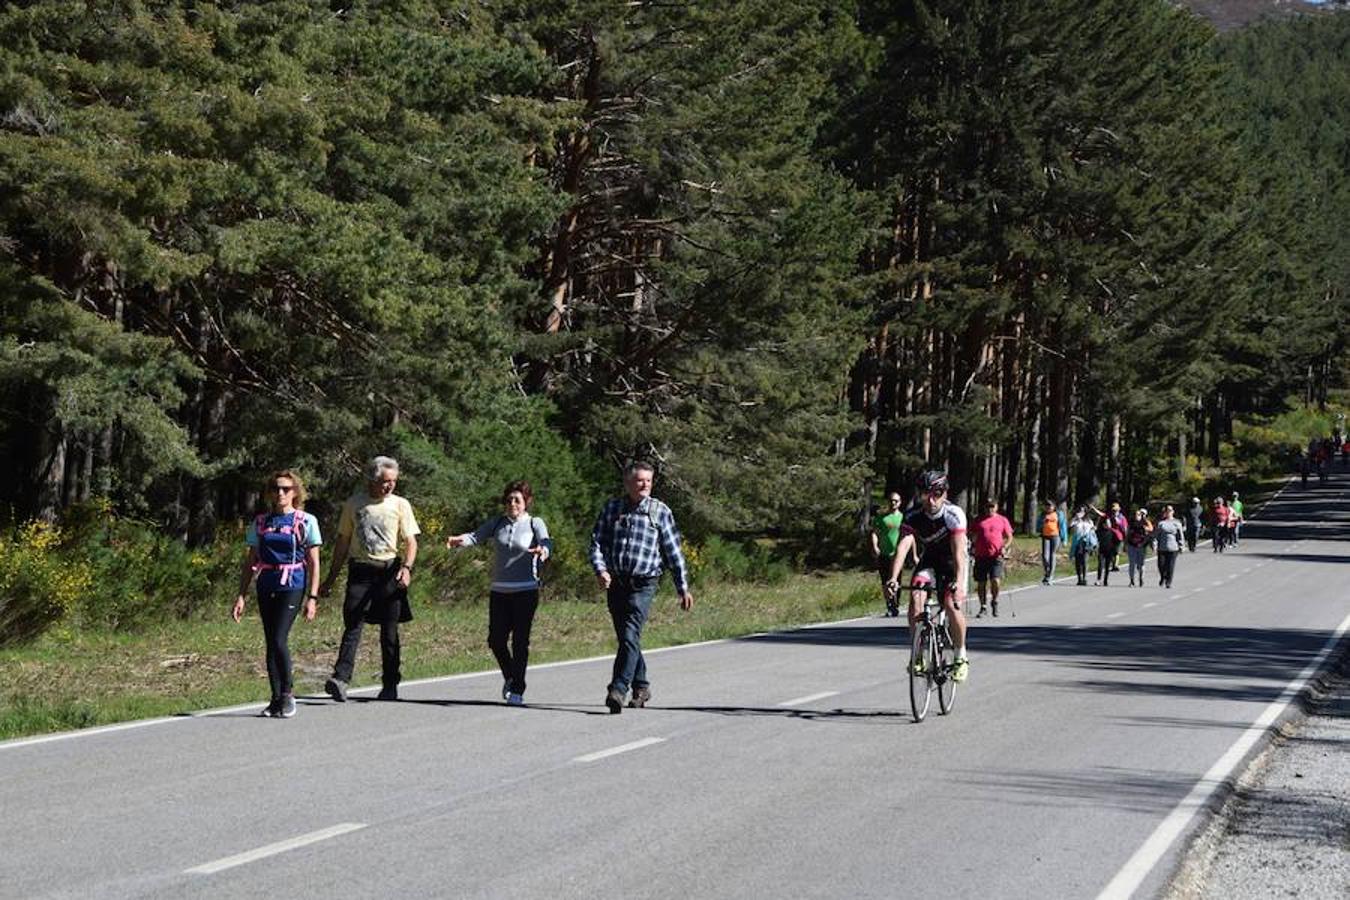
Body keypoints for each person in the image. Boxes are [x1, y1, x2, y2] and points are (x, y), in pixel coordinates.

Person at [589, 461, 693, 714]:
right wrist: (601, 570)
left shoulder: (659, 512)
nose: (644, 484)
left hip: (644, 584)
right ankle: (642, 686)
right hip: (616, 582)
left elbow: (673, 552)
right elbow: (596, 543)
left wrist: (682, 587)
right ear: (627, 483)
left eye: (648, 480)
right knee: (628, 638)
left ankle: (618, 688)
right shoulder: (612, 508)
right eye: (639, 480)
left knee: (629, 635)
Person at [320, 456, 421, 702]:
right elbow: (343, 543)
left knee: (389, 631)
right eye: (386, 481)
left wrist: (406, 568)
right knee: (353, 625)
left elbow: (411, 541)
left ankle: (390, 683)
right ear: (373, 479)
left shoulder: (400, 505)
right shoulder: (354, 504)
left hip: (390, 572)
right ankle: (341, 679)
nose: (390, 486)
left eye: (394, 481)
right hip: (361, 572)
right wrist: (330, 578)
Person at [447, 480, 552, 706]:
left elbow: (546, 541)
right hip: (500, 591)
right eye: (509, 499)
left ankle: (518, 688)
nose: (512, 503)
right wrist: (459, 540)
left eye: (517, 500)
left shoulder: (535, 522)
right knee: (496, 640)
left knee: (520, 641)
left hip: (526, 591)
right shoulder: (497, 523)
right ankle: (511, 676)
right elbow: (475, 536)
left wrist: (543, 551)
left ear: (526, 502)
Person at [232, 470, 323, 718]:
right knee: (271, 641)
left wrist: (312, 598)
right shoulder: (261, 522)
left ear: (295, 492)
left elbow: (314, 561)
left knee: (279, 638)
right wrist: (242, 595)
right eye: (275, 488)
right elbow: (251, 560)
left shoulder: (306, 521)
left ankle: (287, 694)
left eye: (286, 488)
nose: (280, 493)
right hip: (266, 584)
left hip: (293, 584)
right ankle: (275, 698)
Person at [886, 471, 970, 682]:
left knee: (951, 604)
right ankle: (918, 654)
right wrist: (893, 578)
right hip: (931, 560)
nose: (931, 500)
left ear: (945, 493)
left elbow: (959, 551)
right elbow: (903, 546)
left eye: (937, 494)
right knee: (916, 598)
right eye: (926, 494)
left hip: (953, 561)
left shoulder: (954, 514)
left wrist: (958, 584)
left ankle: (960, 656)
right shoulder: (913, 515)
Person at [972, 499, 1014, 617]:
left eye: (992, 506)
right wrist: (972, 545)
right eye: (987, 506)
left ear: (996, 507)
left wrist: (1005, 546)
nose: (990, 509)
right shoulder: (978, 520)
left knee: (995, 580)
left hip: (996, 555)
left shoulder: (1002, 520)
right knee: (981, 583)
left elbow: (1009, 536)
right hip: (981, 555)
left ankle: (994, 601)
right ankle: (983, 606)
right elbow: (972, 535)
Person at [870, 491, 905, 617]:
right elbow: (874, 533)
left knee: (897, 580)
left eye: (896, 501)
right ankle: (889, 604)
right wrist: (875, 546)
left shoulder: (903, 518)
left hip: (898, 555)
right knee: (885, 580)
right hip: (884, 553)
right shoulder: (881, 518)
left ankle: (896, 603)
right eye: (891, 500)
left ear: (900, 503)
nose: (893, 503)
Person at [1089, 503, 1123, 586]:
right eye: (1106, 523)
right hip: (1102, 549)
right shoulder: (1101, 531)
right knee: (1100, 564)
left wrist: (1115, 549)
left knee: (1107, 565)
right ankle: (1098, 579)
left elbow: (1118, 538)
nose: (1107, 523)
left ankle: (1105, 580)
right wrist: (1094, 509)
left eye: (1115, 510)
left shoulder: (1114, 529)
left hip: (1110, 549)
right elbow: (1101, 514)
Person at [1035, 500, 1066, 585]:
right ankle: (1047, 572)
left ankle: (1050, 576)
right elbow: (1038, 526)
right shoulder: (1042, 515)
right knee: (1045, 556)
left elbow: (1063, 526)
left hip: (1055, 536)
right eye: (1047, 506)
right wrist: (1043, 521)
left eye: (1050, 506)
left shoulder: (1058, 514)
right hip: (1045, 536)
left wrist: (1064, 539)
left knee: (1052, 554)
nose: (1048, 507)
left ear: (1054, 507)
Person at [1154, 504, 1185, 588]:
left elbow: (1180, 535)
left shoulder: (1177, 523)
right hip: (1162, 548)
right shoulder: (1161, 523)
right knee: (1161, 565)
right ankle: (1163, 577)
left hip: (1173, 548)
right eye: (1167, 511)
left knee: (1170, 566)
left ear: (1173, 512)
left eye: (1170, 511)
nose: (1168, 512)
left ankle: (1169, 582)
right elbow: (1156, 536)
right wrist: (1155, 545)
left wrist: (1181, 546)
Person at [1068, 506, 1097, 586]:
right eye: (1080, 511)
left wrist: (1094, 529)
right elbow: (1070, 525)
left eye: (1083, 511)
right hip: (1077, 543)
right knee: (1078, 561)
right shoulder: (1075, 521)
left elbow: (1093, 531)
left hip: (1086, 543)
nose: (1081, 513)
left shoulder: (1089, 521)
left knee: (1084, 561)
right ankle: (1079, 578)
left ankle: (1085, 578)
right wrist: (1075, 518)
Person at [1124, 508, 1153, 587]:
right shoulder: (1131, 523)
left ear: (1141, 515)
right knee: (1132, 563)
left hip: (1142, 546)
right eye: (1135, 514)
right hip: (1131, 545)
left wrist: (1145, 528)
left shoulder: (1145, 522)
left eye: (1138, 514)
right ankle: (1132, 580)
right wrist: (1125, 545)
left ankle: (1141, 578)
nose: (1136, 516)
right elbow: (1127, 534)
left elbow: (1151, 529)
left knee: (1141, 565)